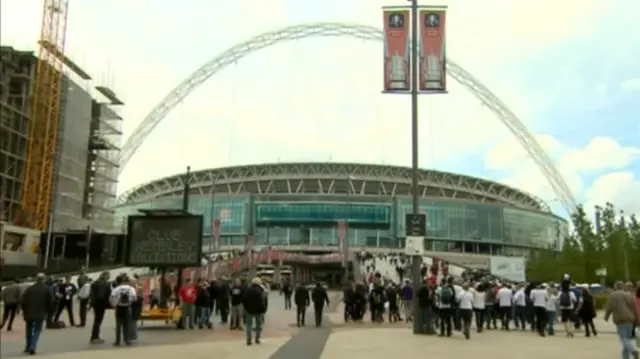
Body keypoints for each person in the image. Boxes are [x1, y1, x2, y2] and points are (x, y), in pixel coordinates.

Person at [604, 281, 639, 359]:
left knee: (623, 339)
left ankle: (633, 350)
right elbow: (634, 309)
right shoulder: (629, 295)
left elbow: (609, 307)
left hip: (620, 319)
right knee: (628, 339)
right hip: (630, 319)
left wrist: (606, 316)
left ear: (615, 287)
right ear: (623, 286)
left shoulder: (613, 295)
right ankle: (625, 356)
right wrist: (637, 320)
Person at [21, 273, 54, 355]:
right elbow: (51, 301)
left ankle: (28, 346)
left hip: (29, 313)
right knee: (37, 330)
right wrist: (50, 312)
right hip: (40, 313)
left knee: (28, 330)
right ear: (44, 279)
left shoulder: (30, 288)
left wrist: (24, 311)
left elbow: (23, 300)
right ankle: (33, 346)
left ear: (36, 279)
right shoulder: (47, 289)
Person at [109, 275, 136, 346]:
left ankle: (117, 341)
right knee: (127, 325)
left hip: (119, 308)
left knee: (118, 325)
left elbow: (112, 297)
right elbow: (134, 298)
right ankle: (127, 340)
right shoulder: (131, 289)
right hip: (127, 308)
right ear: (128, 281)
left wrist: (114, 305)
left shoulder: (117, 288)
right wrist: (130, 301)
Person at [242, 277, 266, 346]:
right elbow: (262, 301)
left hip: (249, 310)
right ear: (259, 282)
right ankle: (257, 339)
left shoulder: (248, 290)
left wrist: (246, 307)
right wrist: (263, 310)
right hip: (258, 310)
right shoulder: (260, 290)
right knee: (258, 325)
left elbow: (244, 299)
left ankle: (249, 340)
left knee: (249, 325)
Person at [89, 271, 111, 344]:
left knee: (96, 321)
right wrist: (107, 304)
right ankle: (95, 337)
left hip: (95, 304)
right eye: (108, 276)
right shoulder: (103, 284)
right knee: (98, 321)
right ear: (105, 276)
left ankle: (94, 336)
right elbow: (101, 295)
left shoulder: (96, 282)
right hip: (100, 304)